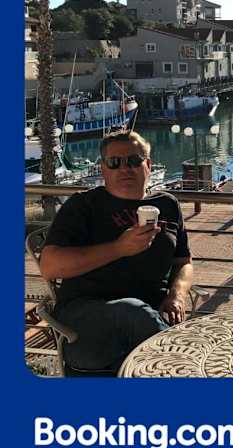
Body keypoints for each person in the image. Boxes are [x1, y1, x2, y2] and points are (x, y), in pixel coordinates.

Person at [40, 130, 193, 374]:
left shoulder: (167, 205)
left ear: (148, 165)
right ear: (103, 169)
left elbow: (184, 262)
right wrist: (118, 248)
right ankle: (186, 369)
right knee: (132, 312)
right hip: (87, 324)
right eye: (114, 162)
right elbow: (49, 266)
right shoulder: (83, 206)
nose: (125, 168)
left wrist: (177, 295)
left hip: (151, 319)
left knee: (139, 320)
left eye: (133, 160)